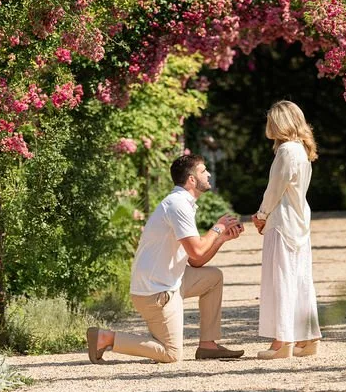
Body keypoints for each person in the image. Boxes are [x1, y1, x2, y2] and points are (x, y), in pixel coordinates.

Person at [87, 153, 245, 363]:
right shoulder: (177, 205)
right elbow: (197, 252)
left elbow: (195, 261)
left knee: (213, 278)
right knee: (171, 354)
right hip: (155, 291)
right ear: (191, 180)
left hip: (171, 281)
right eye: (203, 171)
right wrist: (217, 228)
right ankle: (106, 338)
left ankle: (208, 345)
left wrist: (221, 238)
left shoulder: (184, 204)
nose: (208, 174)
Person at [252, 101, 322, 359]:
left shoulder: (286, 151)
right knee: (300, 278)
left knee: (280, 278)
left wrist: (261, 215)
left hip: (282, 221)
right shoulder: (301, 150)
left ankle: (282, 341)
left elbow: (275, 189)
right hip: (299, 220)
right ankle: (308, 337)